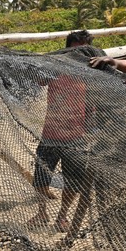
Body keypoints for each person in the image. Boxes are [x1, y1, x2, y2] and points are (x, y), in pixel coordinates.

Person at [28, 30, 94, 233]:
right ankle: (41, 212)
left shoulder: (92, 71)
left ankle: (62, 216)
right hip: (51, 134)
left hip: (78, 136)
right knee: (40, 176)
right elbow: (37, 79)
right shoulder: (55, 69)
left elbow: (95, 103)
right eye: (75, 50)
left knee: (73, 180)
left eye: (84, 50)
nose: (78, 56)